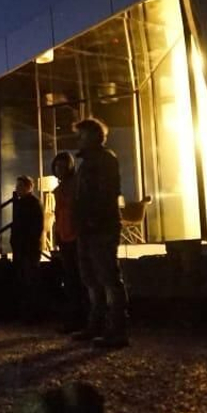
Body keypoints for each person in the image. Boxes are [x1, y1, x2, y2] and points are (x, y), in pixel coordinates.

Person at [71, 117, 130, 348]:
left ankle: (117, 330)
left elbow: (107, 192)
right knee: (91, 279)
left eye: (82, 135)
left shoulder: (104, 160)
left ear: (94, 136)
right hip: (87, 228)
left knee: (107, 277)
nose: (79, 139)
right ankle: (96, 325)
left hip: (101, 227)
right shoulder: (87, 163)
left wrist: (93, 219)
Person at [48, 151, 88, 334]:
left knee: (81, 280)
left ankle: (83, 320)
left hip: (77, 237)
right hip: (65, 238)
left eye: (63, 166)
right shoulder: (60, 189)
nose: (60, 169)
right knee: (71, 280)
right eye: (57, 166)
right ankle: (74, 320)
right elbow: (59, 215)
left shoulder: (76, 185)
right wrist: (57, 235)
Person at [9, 175, 44, 319]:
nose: (17, 189)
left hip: (29, 248)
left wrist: (28, 243)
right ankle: (26, 313)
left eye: (20, 187)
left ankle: (32, 314)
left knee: (30, 280)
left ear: (28, 187)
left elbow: (36, 227)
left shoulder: (33, 203)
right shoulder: (21, 203)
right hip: (21, 248)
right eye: (17, 187)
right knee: (23, 280)